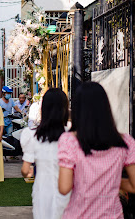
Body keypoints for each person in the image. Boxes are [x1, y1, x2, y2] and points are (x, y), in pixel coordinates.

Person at [58, 82, 135, 219]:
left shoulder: (69, 141)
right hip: (113, 215)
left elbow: (64, 188)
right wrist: (112, 181)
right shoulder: (126, 142)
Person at [20, 88, 70, 219]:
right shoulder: (71, 134)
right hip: (68, 190)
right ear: (65, 109)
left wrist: (29, 171)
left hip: (42, 191)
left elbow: (25, 170)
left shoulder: (32, 135)